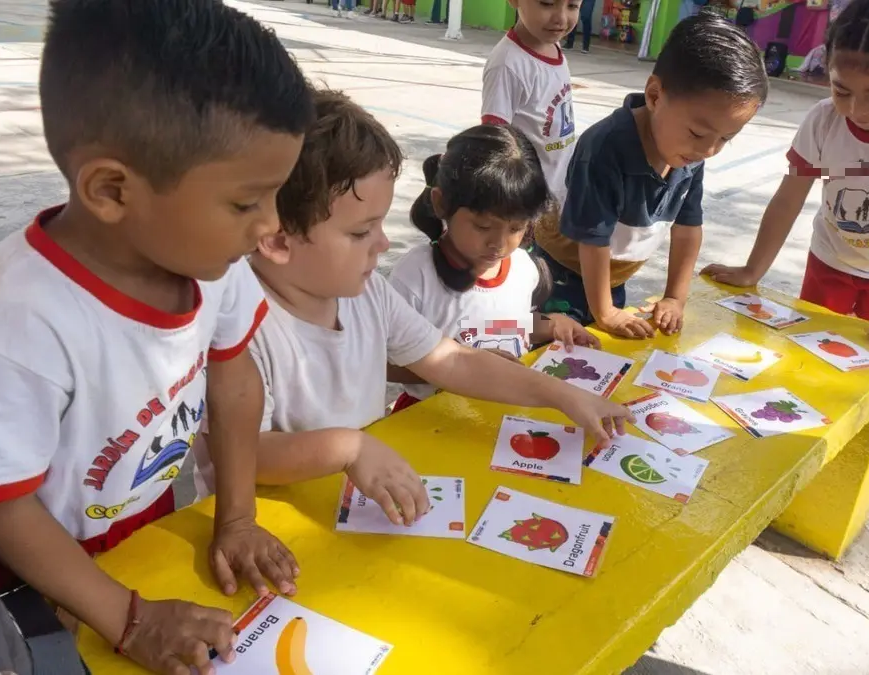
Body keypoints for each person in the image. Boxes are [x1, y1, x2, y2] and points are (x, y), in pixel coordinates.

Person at [0, 2, 313, 673]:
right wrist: (128, 620)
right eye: (247, 201)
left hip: (141, 527)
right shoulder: (21, 319)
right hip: (19, 569)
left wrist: (239, 516)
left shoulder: (207, 262)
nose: (269, 224)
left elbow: (234, 374)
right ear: (110, 188)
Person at [191, 90, 632, 528]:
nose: (383, 244)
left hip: (354, 507)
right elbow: (242, 453)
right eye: (363, 231)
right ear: (277, 240)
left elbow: (454, 361)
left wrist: (564, 396)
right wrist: (350, 448)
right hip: (265, 526)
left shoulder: (367, 296)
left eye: (381, 225)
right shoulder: (237, 325)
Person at [702, 0, 869, 350]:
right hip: (828, 262)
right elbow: (787, 200)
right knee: (809, 352)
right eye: (841, 90)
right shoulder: (823, 119)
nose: (857, 111)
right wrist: (753, 269)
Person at [534, 11, 769, 338]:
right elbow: (593, 240)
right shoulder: (605, 148)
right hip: (561, 273)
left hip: (613, 275)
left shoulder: (690, 153)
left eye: (726, 138)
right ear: (655, 96)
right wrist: (605, 312)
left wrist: (675, 297)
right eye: (699, 133)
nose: (710, 150)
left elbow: (688, 228)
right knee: (560, 347)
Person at [389, 124, 599, 410]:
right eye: (483, 226)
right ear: (441, 203)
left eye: (516, 227)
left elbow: (501, 326)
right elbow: (382, 363)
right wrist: (462, 363)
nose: (499, 244)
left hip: (504, 413)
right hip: (428, 417)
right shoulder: (415, 276)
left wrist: (550, 326)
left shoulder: (523, 269)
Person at [481, 0, 581, 206]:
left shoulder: (553, 45)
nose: (561, 18)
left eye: (572, 6)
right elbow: (494, 141)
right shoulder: (507, 65)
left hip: (561, 193)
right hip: (530, 203)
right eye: (547, 3)